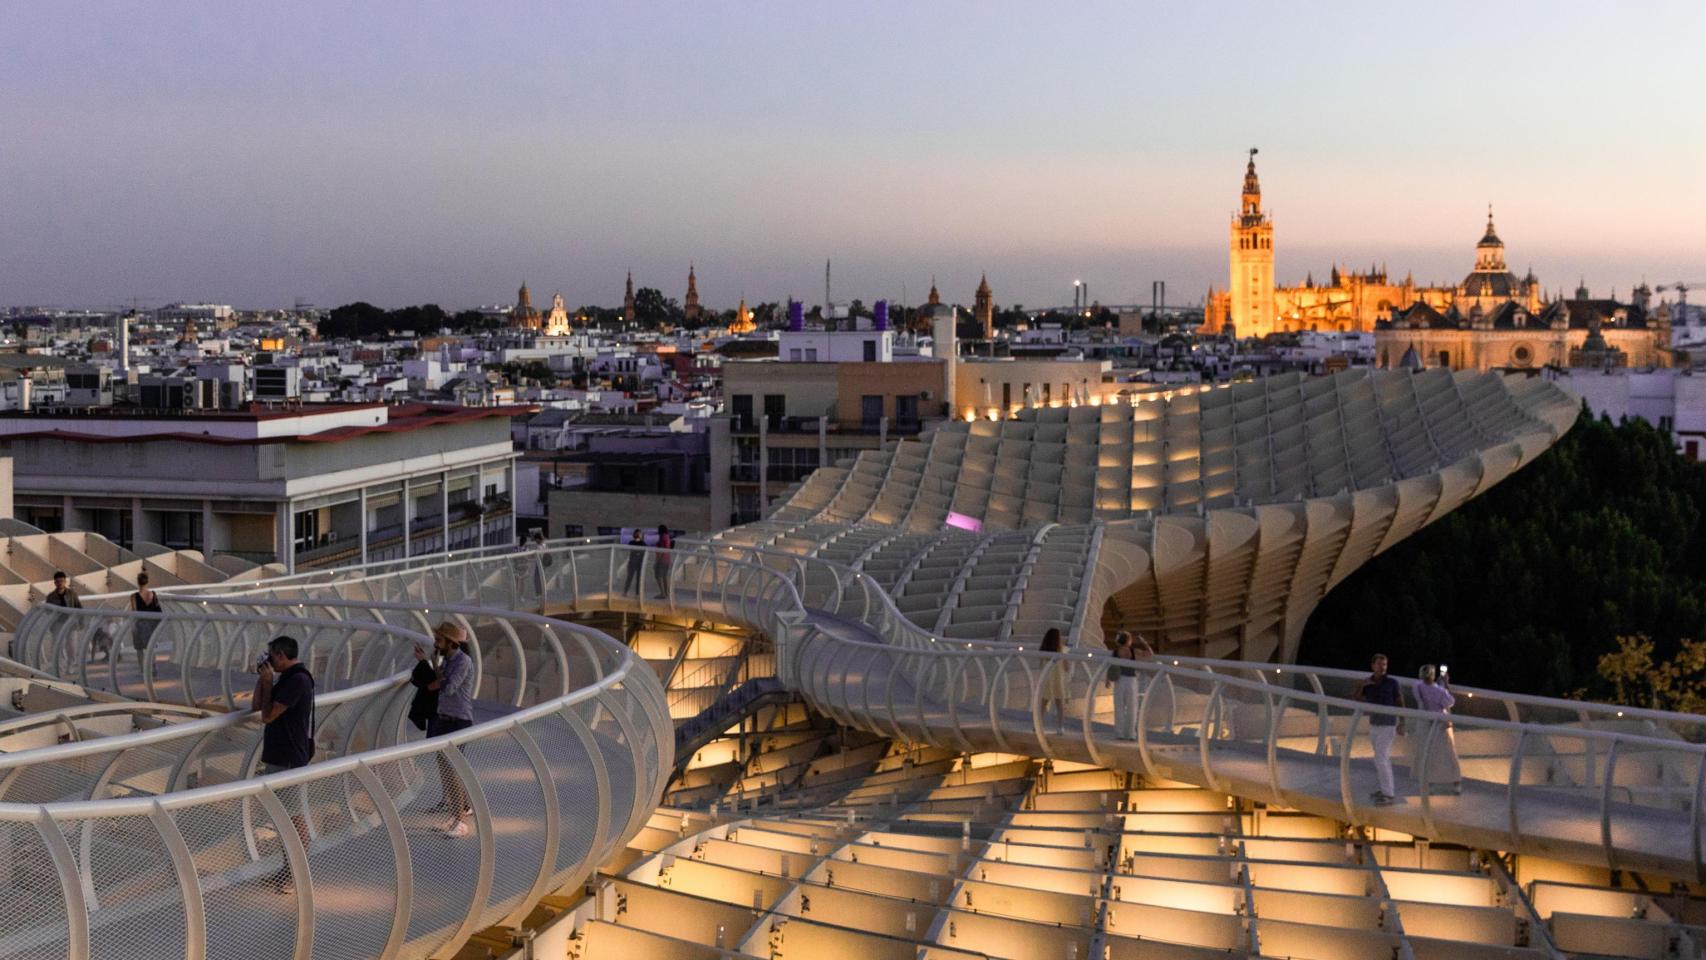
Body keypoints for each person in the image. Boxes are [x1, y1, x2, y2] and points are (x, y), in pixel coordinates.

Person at [253, 635, 315, 892]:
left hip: (289, 759)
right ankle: (286, 871)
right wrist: (263, 679)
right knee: (285, 819)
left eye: (271, 657)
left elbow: (268, 716)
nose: (269, 661)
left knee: (294, 821)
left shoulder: (297, 681)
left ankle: (296, 876)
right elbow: (257, 706)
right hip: (281, 757)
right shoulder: (286, 679)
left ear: (280, 655)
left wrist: (269, 683)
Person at [420, 621, 476, 837]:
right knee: (446, 769)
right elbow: (439, 681)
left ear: (451, 642)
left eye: (440, 640)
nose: (436, 643)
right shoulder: (449, 660)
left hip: (457, 721)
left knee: (452, 770)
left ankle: (460, 821)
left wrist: (435, 681)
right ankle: (455, 817)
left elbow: (449, 687)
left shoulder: (463, 661)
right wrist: (432, 663)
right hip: (444, 719)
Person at [1354, 653, 1402, 805]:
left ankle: (1389, 793)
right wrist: (1362, 685)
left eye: (1385, 665)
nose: (1382, 668)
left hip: (1388, 724)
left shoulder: (1392, 682)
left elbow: (1400, 701)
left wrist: (1402, 721)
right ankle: (1385, 789)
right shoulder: (1368, 683)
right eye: (1380, 664)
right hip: (1374, 723)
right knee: (1381, 758)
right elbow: (1356, 697)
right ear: (1373, 665)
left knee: (1381, 758)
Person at [1415, 665, 1462, 795]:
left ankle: (1430, 783)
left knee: (1429, 753)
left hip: (1425, 723)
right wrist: (1445, 684)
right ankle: (1456, 783)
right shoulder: (1439, 691)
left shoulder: (1417, 686)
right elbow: (1449, 702)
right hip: (1441, 725)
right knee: (1449, 753)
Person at [1105, 631, 1139, 740]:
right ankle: (1131, 733)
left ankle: (1119, 733)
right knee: (1132, 707)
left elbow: (1111, 665)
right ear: (1128, 640)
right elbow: (1150, 654)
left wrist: (1107, 679)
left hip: (1119, 680)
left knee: (1119, 706)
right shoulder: (1133, 651)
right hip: (1131, 680)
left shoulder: (1115, 652)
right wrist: (1144, 642)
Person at [128, 572, 162, 668]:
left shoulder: (134, 597)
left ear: (138, 583)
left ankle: (142, 669)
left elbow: (134, 612)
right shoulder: (153, 594)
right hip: (151, 625)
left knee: (139, 649)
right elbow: (158, 610)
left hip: (140, 624)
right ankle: (153, 666)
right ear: (147, 582)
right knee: (150, 648)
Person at [1040, 627, 1068, 731]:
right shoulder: (1062, 650)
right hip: (1058, 678)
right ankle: (1060, 727)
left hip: (1047, 678)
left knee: (1043, 703)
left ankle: (1038, 725)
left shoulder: (1043, 649)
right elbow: (1067, 667)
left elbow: (1041, 664)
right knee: (1059, 704)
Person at [622, 528, 646, 595]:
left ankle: (630, 592)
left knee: (632, 578)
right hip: (635, 563)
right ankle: (629, 592)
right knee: (631, 578)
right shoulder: (640, 543)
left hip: (636, 563)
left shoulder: (637, 543)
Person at [653, 524, 673, 598]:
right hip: (667, 559)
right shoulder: (667, 536)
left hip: (662, 559)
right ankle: (666, 592)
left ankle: (662, 593)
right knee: (664, 576)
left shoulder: (662, 537)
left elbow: (661, 550)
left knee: (658, 576)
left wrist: (656, 561)